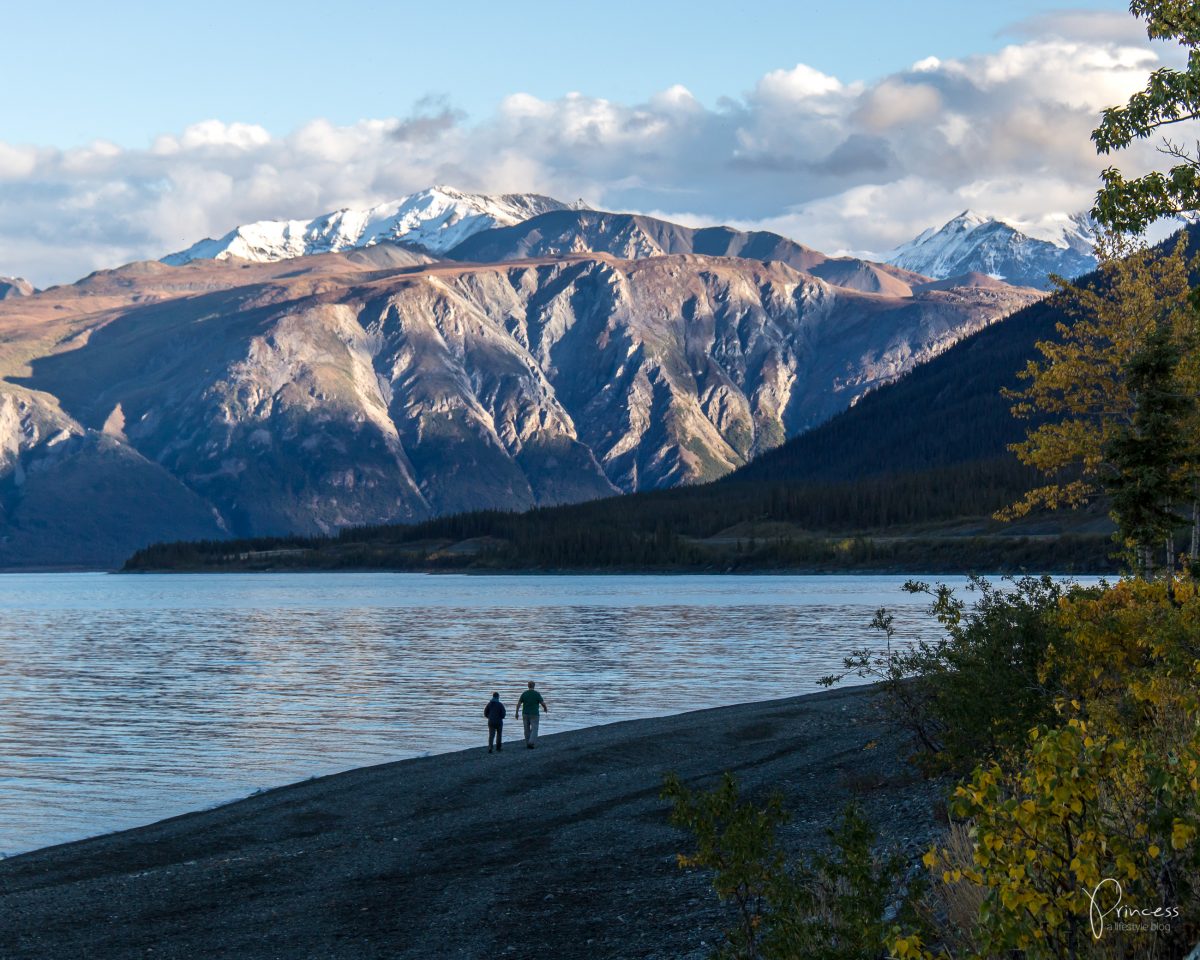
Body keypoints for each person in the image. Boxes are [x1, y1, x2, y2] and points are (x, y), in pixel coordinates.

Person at [516, 680, 548, 748]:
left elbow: (518, 704)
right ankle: (531, 742)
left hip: (525, 713)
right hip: (534, 714)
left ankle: (528, 743)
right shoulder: (536, 694)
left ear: (528, 686)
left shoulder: (524, 694)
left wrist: (516, 713)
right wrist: (545, 708)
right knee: (534, 729)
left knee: (526, 729)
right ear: (534, 686)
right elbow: (542, 703)